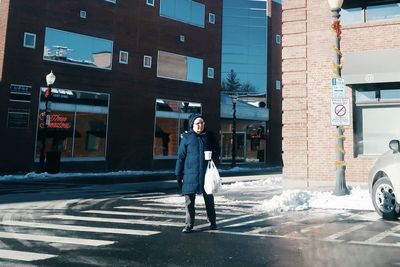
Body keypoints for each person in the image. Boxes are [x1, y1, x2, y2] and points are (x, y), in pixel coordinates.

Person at [175, 113, 219, 233]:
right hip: (190, 174)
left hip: (206, 175)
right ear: (192, 125)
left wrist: (214, 154)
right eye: (198, 123)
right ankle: (189, 225)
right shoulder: (187, 138)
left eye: (202, 123)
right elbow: (180, 157)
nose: (200, 125)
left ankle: (213, 222)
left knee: (209, 199)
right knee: (189, 202)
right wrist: (178, 174)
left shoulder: (209, 137)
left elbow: (217, 151)